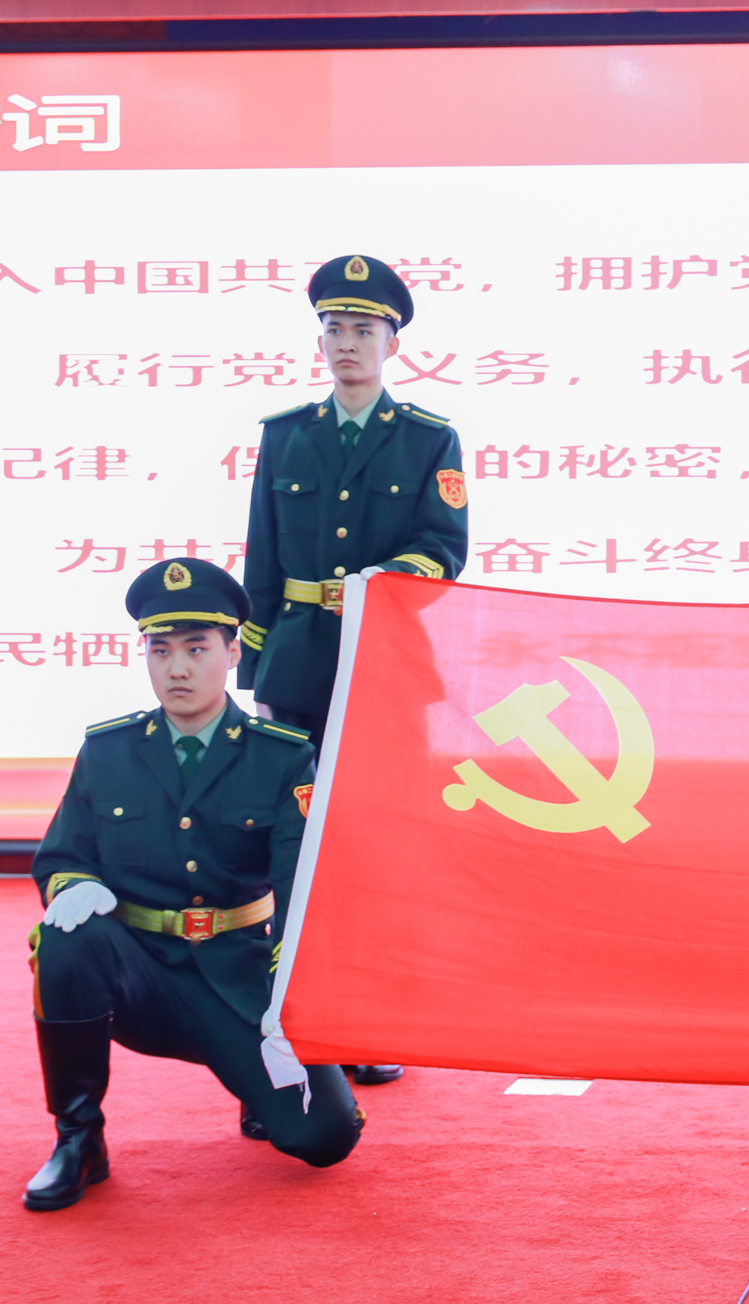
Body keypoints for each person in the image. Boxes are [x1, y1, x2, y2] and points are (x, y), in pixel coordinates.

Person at [23, 558, 363, 1212]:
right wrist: (74, 886)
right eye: (161, 650)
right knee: (65, 936)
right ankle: (78, 1137)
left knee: (325, 1137)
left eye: (196, 649)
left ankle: (252, 1084)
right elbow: (63, 855)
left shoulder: (281, 754)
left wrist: (290, 1000)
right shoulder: (109, 751)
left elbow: (300, 885)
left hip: (238, 979)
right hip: (140, 975)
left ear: (233, 652)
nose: (176, 668)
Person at [238, 253, 469, 1089]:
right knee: (297, 842)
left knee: (376, 839)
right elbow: (263, 555)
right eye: (334, 329)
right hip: (298, 667)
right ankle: (294, 1014)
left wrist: (380, 583)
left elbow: (444, 550)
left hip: (384, 665)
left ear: (392, 343)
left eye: (363, 330)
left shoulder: (429, 438)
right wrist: (256, 661)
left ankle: (371, 1017)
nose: (346, 343)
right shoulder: (285, 435)